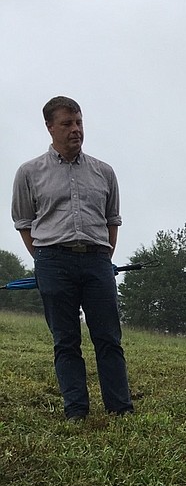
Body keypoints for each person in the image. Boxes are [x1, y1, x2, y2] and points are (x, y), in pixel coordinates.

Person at [11, 96, 133, 420]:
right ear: (50, 127)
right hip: (53, 260)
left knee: (108, 337)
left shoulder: (104, 172)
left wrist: (105, 255)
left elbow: (112, 219)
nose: (75, 130)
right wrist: (44, 259)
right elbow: (24, 222)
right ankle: (76, 411)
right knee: (66, 340)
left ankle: (120, 408)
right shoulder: (28, 172)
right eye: (67, 124)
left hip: (97, 260)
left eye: (79, 122)